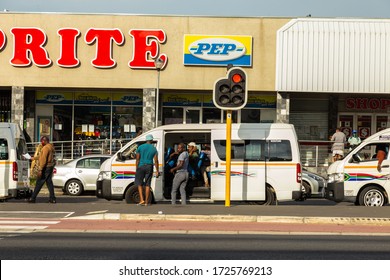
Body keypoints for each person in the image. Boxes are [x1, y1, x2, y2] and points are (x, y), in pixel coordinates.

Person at [27, 136, 56, 203]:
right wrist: (34, 158)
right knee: (49, 183)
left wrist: (40, 169)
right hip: (50, 166)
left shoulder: (45, 148)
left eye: (41, 141)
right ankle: (52, 198)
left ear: (44, 141)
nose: (41, 143)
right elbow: (41, 156)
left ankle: (33, 198)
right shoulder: (50, 147)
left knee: (39, 182)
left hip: (45, 167)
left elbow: (43, 159)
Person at [134, 134, 159, 206]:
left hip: (141, 166)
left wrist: (137, 168)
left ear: (146, 140)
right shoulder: (154, 149)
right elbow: (156, 161)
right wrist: (157, 170)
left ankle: (142, 200)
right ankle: (147, 202)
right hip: (149, 166)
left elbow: (137, 159)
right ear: (151, 140)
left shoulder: (140, 147)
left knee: (139, 184)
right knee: (148, 184)